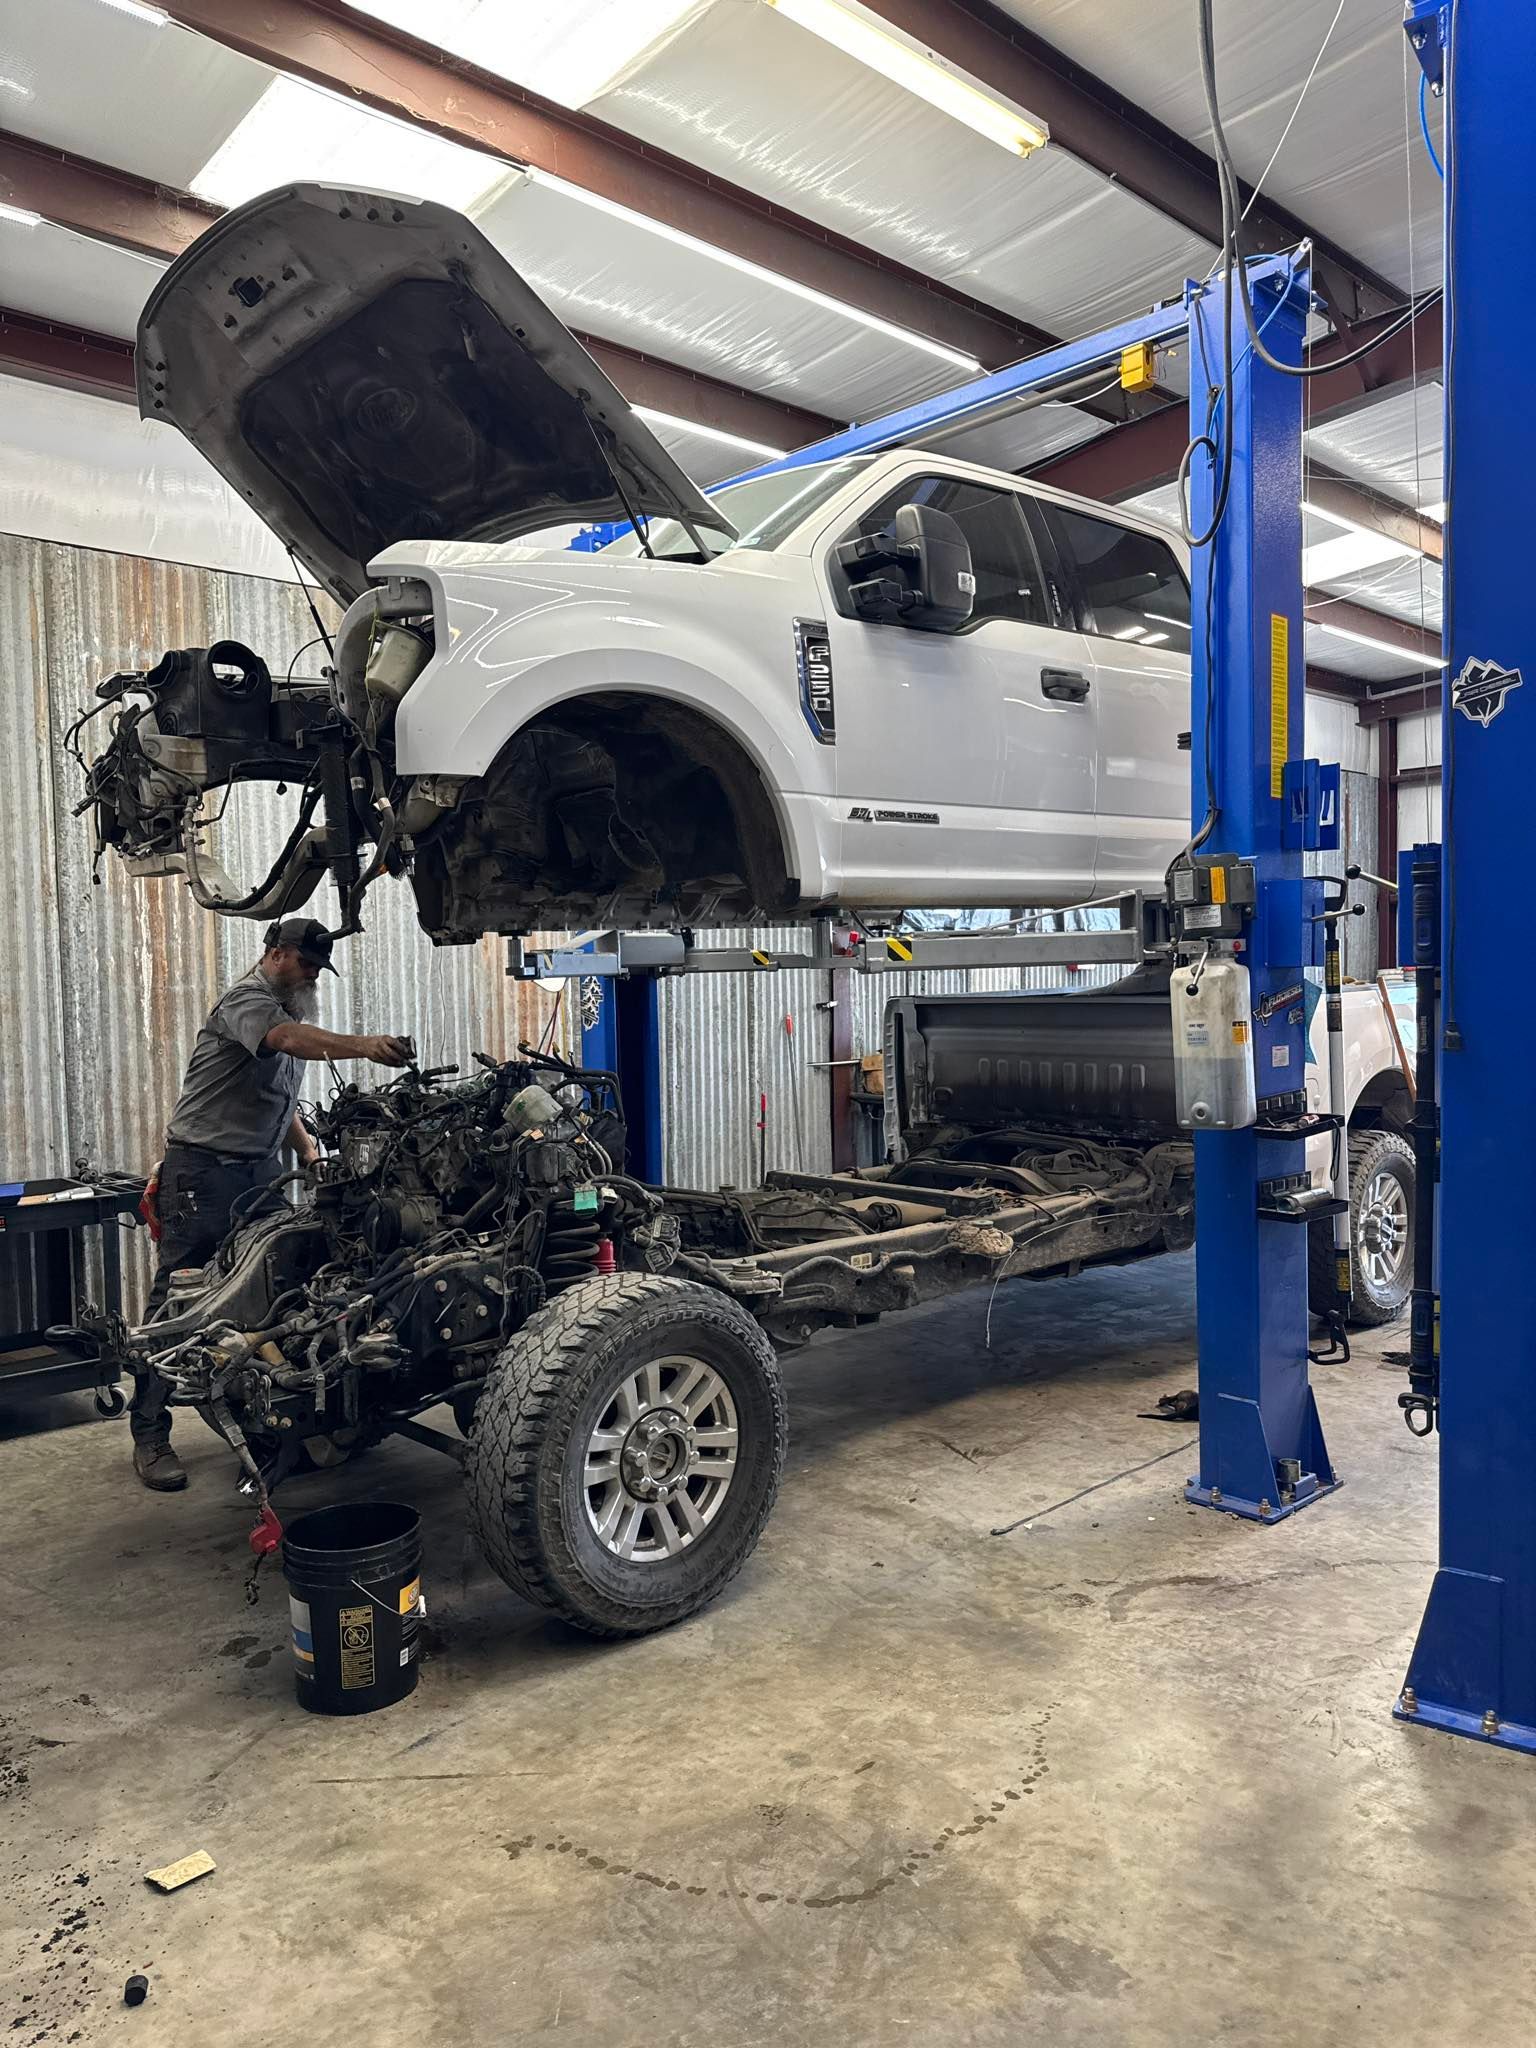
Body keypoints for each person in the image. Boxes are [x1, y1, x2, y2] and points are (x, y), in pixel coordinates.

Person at [130, 915, 411, 1491]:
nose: (313, 976)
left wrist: (307, 1152)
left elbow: (276, 1099)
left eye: (319, 968)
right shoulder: (248, 1003)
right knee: (181, 1303)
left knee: (275, 1297)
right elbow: (285, 1042)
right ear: (277, 954)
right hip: (205, 1174)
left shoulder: (286, 1012)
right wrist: (364, 1046)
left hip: (260, 1172)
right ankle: (150, 1434)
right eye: (306, 964)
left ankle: (268, 1432)